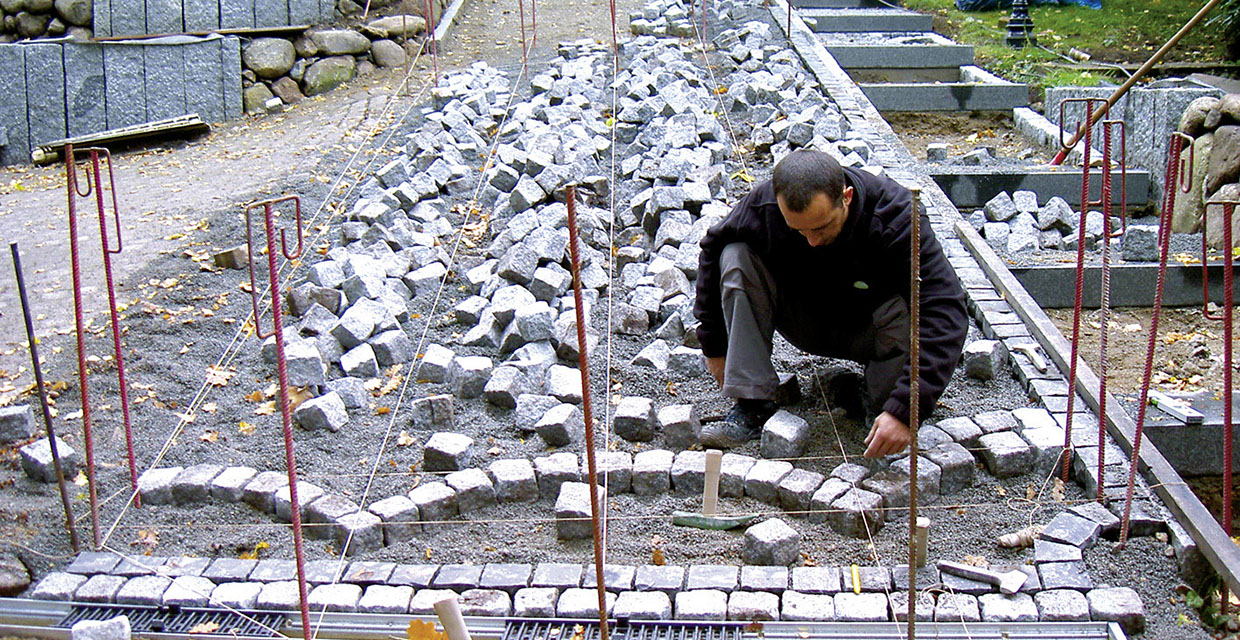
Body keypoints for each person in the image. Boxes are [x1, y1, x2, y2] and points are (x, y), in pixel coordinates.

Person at [692, 149, 968, 458]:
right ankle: (752, 404)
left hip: (872, 330)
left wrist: (905, 409)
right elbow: (713, 248)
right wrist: (714, 345)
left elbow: (947, 308)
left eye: (822, 227)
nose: (811, 240)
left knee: (916, 306)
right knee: (736, 256)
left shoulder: (897, 215)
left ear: (846, 197)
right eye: (799, 230)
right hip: (804, 321)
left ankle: (873, 397)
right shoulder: (764, 203)